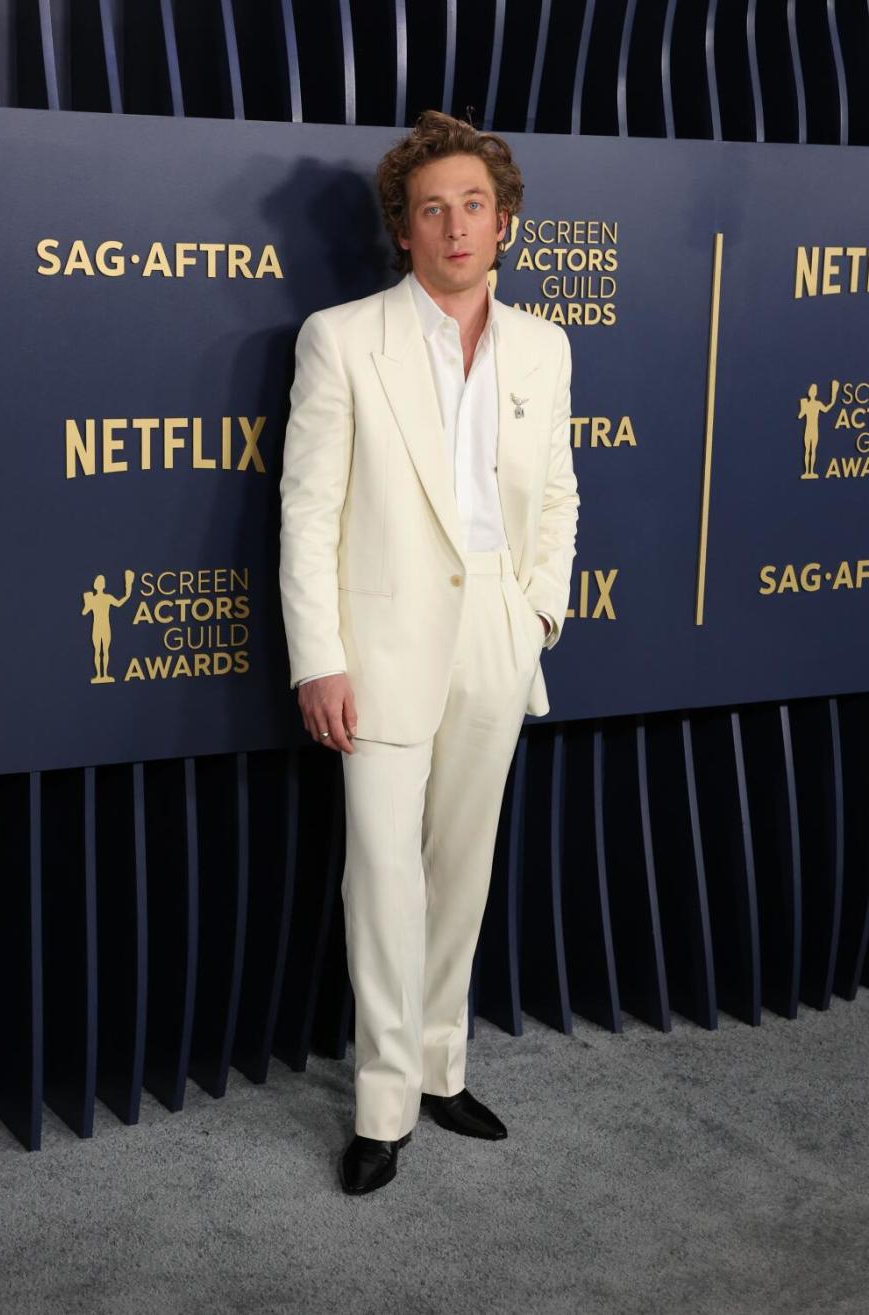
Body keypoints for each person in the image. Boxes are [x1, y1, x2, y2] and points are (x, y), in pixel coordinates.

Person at [279, 110, 579, 1195]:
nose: (455, 225)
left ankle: (444, 1066)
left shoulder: (545, 345)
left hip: (499, 635)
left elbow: (555, 491)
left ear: (505, 224)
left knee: (463, 869)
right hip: (379, 645)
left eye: (474, 205)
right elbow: (308, 513)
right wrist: (321, 656)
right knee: (384, 881)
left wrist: (539, 606)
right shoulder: (342, 337)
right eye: (431, 208)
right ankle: (383, 1100)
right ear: (402, 231)